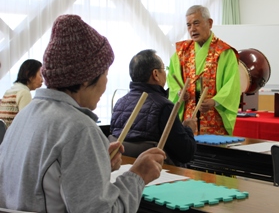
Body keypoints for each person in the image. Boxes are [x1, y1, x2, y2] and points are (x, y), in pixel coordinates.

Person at [0, 15, 165, 212]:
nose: (105, 82)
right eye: (105, 73)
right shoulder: (79, 129)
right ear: (86, 79)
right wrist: (138, 175)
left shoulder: (24, 118)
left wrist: (97, 166)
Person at [110, 49, 197, 166]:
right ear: (156, 74)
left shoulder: (120, 103)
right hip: (158, 174)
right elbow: (186, 153)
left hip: (124, 169)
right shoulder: (164, 106)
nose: (165, 73)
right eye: (163, 69)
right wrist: (189, 129)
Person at [167, 5, 241, 136]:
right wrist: (179, 93)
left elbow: (232, 85)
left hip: (214, 117)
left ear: (210, 23)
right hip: (188, 117)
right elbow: (172, 79)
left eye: (196, 23)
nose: (192, 29)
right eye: (189, 25)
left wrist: (215, 101)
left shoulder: (224, 52)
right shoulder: (181, 52)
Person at [0, 59, 43, 127]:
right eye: (40, 75)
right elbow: (26, 123)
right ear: (29, 74)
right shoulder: (24, 93)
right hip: (14, 136)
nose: (42, 80)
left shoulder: (9, 91)